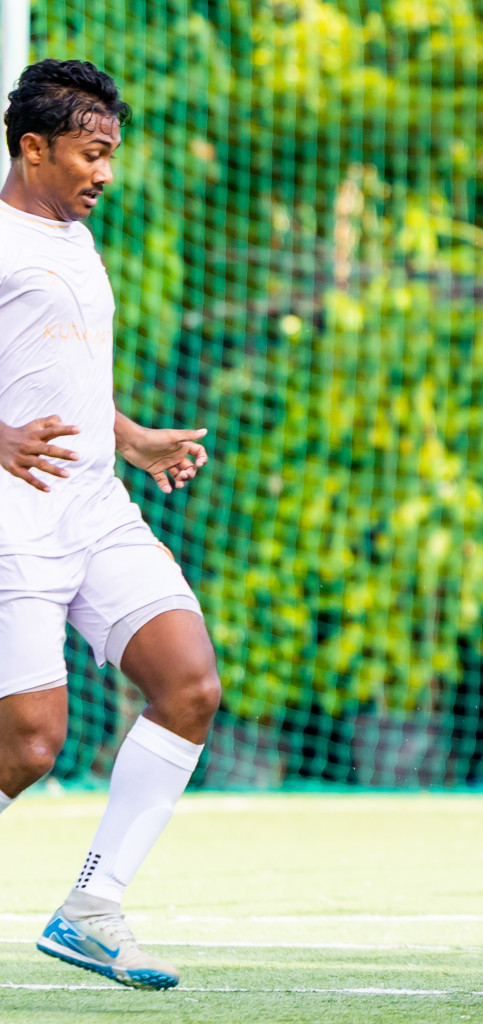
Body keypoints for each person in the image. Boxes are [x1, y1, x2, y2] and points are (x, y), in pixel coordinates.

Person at [0, 58, 221, 991]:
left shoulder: (74, 238)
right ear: (33, 146)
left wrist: (127, 437)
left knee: (190, 685)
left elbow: (56, 374)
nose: (107, 173)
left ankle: (92, 911)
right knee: (31, 745)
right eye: (92, 154)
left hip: (97, 507)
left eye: (112, 155)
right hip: (14, 518)